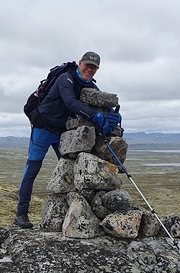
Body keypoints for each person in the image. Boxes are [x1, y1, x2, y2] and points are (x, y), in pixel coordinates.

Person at [14, 51, 121, 229]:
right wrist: (96, 116)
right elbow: (71, 103)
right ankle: (21, 214)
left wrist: (112, 116)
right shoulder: (65, 79)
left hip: (63, 132)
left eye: (94, 67)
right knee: (32, 169)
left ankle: (69, 214)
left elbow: (102, 103)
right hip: (43, 128)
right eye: (87, 65)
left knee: (70, 168)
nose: (90, 70)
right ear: (80, 63)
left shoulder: (91, 87)